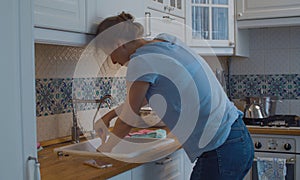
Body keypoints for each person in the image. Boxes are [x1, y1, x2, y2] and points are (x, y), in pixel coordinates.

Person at [94, 12, 254, 180]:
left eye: (109, 53)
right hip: (238, 138)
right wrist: (110, 115)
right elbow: (142, 99)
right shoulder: (166, 41)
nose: (112, 61)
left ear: (119, 44)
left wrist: (104, 151)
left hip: (221, 147)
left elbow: (128, 119)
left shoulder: (141, 61)